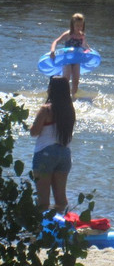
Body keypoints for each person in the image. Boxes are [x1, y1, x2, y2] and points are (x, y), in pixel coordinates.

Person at [29, 75, 76, 210]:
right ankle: (62, 226)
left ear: (51, 89)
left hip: (45, 153)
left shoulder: (46, 109)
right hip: (65, 154)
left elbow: (34, 132)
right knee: (61, 199)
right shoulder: (70, 110)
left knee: (43, 200)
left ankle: (42, 228)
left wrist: (31, 125)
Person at [50, 12, 87, 96]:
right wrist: (52, 51)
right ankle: (63, 96)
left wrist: (89, 51)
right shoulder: (68, 34)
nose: (79, 27)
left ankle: (73, 97)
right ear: (72, 25)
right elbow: (56, 41)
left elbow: (84, 46)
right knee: (66, 79)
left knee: (76, 81)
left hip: (76, 60)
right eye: (77, 25)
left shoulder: (82, 35)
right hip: (66, 60)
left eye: (81, 25)